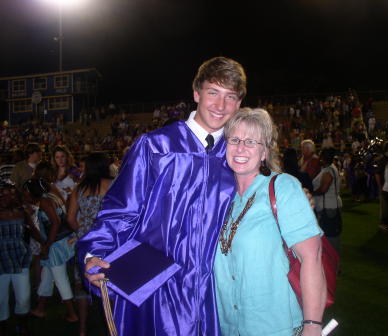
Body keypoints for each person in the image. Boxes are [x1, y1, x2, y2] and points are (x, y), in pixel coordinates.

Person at [78, 57, 246, 335]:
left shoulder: (239, 155)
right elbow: (121, 210)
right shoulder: (157, 146)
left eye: (230, 97)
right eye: (212, 92)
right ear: (196, 93)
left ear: (239, 104)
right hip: (157, 286)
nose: (220, 105)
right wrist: (95, 253)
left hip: (216, 289)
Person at [214, 108, 325, 336]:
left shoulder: (283, 187)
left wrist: (312, 326)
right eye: (234, 139)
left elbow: (311, 258)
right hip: (228, 328)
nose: (241, 147)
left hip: (276, 327)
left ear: (264, 152)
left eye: (251, 141)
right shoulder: (219, 196)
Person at [67, 153, 113, 336]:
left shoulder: (79, 189)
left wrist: (82, 232)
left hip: (86, 242)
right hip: (108, 239)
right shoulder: (112, 184)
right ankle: (113, 326)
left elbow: (70, 218)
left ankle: (83, 329)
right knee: (109, 283)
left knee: (82, 284)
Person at [23, 178, 78, 322]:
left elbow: (56, 222)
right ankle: (40, 308)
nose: (24, 194)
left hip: (55, 245)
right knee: (47, 276)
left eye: (25, 191)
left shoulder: (45, 202)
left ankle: (72, 313)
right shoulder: (49, 198)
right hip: (58, 242)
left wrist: (47, 245)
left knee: (60, 279)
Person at [0, 183, 40, 335]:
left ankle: (22, 324)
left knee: (23, 297)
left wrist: (45, 244)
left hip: (20, 256)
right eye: (2, 195)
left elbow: (34, 230)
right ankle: (2, 325)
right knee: (1, 298)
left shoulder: (21, 212)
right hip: (1, 259)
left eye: (10, 194)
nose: (6, 198)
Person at [312, 148, 343, 252]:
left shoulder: (328, 171)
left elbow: (323, 189)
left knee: (330, 238)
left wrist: (312, 192)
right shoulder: (330, 168)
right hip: (330, 205)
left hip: (329, 207)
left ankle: (334, 264)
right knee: (329, 237)